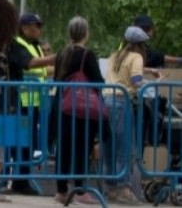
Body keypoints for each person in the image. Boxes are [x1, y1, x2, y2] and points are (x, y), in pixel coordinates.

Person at [0, 0, 54, 203]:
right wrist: (55, 58)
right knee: (0, 145)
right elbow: (30, 62)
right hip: (5, 101)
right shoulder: (8, 43)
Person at [103, 26, 162, 205]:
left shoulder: (116, 55)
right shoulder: (137, 57)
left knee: (110, 148)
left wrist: (147, 71)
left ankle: (111, 188)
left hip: (107, 102)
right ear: (141, 45)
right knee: (126, 148)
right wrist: (153, 83)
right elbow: (135, 81)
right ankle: (123, 189)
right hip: (122, 104)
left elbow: (123, 74)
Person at [52, 16, 103, 206]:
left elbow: (58, 77)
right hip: (82, 110)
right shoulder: (87, 55)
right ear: (85, 33)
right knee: (82, 148)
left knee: (63, 149)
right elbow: (97, 80)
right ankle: (80, 190)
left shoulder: (62, 52)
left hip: (63, 107)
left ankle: (61, 190)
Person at [5, 12, 49, 196]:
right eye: (35, 26)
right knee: (19, 142)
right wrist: (57, 58)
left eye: (39, 26)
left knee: (28, 143)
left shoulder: (35, 45)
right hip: (21, 101)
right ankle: (15, 181)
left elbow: (42, 69)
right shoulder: (17, 43)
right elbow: (29, 63)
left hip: (34, 102)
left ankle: (21, 180)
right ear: (24, 27)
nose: (38, 29)